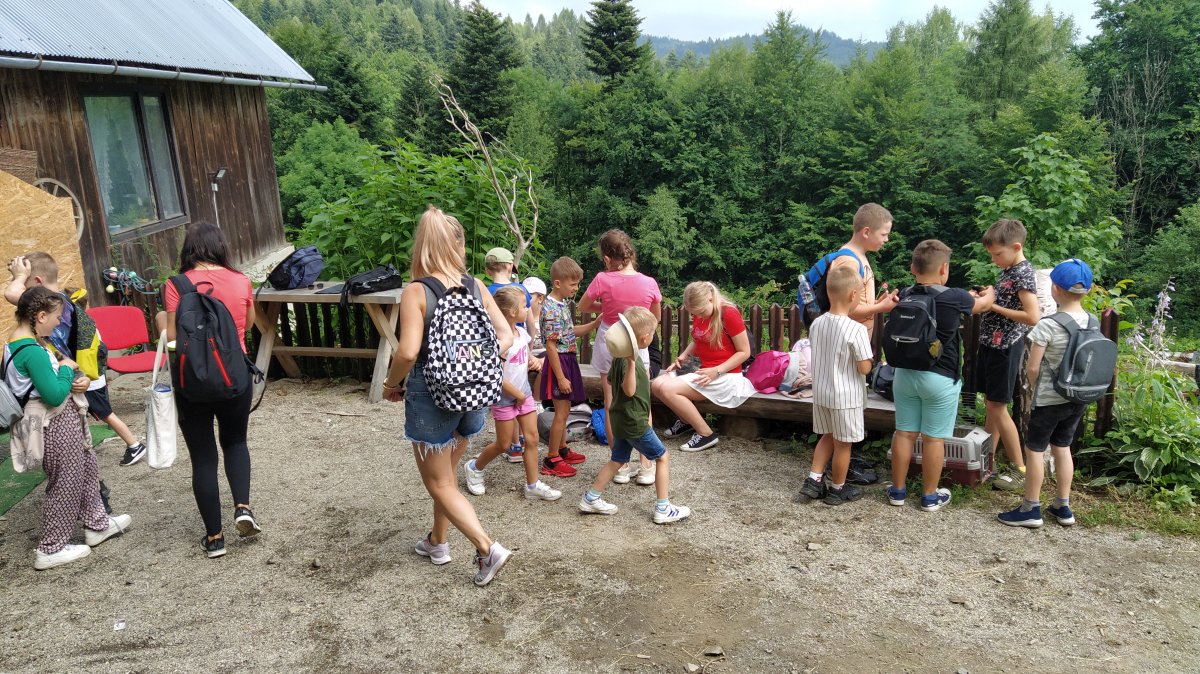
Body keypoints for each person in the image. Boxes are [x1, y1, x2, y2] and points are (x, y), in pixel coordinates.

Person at [380, 205, 515, 587]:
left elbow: (408, 352)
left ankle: (487, 549)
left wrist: (391, 385)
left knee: (439, 483)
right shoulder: (474, 286)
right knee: (447, 477)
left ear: (421, 245)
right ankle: (437, 542)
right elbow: (506, 336)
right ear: (458, 246)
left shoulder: (417, 291)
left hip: (432, 395)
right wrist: (476, 364)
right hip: (474, 395)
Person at [6, 287, 131, 569]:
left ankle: (97, 524)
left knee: (86, 467)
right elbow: (53, 395)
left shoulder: (19, 343)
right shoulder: (32, 351)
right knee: (66, 481)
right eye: (56, 318)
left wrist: (77, 378)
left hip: (58, 421)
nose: (58, 324)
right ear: (40, 316)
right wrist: (66, 368)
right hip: (54, 424)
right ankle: (51, 548)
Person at [162, 221, 261, 558]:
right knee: (236, 442)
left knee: (203, 457)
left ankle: (215, 537)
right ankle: (243, 507)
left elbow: (173, 335)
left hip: (192, 379)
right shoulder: (240, 280)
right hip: (234, 375)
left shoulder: (176, 284)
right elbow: (248, 324)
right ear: (221, 246)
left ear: (189, 249)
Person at [5, 253, 147, 469]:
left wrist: (19, 276)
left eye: (26, 284)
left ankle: (134, 444)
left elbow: (11, 294)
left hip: (79, 372)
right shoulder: (59, 302)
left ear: (38, 282)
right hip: (80, 370)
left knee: (103, 412)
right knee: (95, 414)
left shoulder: (52, 304)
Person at [887, 240, 995, 512]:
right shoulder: (955, 297)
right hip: (940, 377)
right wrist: (989, 293)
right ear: (944, 268)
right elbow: (983, 305)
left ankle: (897, 491)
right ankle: (929, 496)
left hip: (905, 374)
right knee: (934, 439)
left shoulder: (907, 293)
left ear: (913, 268)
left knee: (904, 433)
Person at [798, 204, 901, 483]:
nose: (887, 239)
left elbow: (854, 303)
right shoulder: (849, 261)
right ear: (866, 231)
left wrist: (876, 303)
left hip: (843, 355)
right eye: (884, 234)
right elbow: (845, 307)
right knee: (842, 429)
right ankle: (838, 479)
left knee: (837, 429)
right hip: (847, 358)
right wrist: (881, 309)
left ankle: (827, 473)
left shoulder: (859, 258)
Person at [997, 259, 1096, 528]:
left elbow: (1032, 367)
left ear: (1054, 289)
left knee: (1035, 450)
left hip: (1049, 399)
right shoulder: (1092, 322)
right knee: (1063, 447)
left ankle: (1031, 508)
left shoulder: (1048, 325)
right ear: (1087, 290)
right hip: (1076, 397)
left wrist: (1033, 387)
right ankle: (1063, 506)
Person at [579, 308, 691, 523]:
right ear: (644, 337)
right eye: (653, 334)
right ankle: (663, 508)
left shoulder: (618, 357)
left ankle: (590, 498)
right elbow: (629, 390)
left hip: (620, 419)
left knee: (617, 459)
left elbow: (610, 381)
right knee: (662, 457)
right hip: (634, 422)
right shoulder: (629, 360)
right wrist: (631, 365)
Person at [577, 229, 662, 486]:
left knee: (611, 401)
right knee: (642, 401)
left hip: (609, 340)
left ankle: (621, 465)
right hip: (638, 341)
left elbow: (583, 306)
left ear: (606, 258)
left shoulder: (602, 279)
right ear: (631, 254)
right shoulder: (649, 283)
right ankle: (646, 464)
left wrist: (605, 309)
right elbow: (654, 317)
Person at [462, 286, 559, 502]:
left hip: (523, 394)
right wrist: (518, 395)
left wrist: (533, 361)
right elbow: (495, 375)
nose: (528, 309)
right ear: (513, 312)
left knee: (532, 439)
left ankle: (532, 485)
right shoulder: (499, 341)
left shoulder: (522, 334)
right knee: (503, 444)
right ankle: (474, 467)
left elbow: (524, 358)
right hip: (505, 399)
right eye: (524, 306)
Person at [797, 266, 874, 505]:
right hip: (846, 397)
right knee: (843, 445)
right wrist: (869, 361)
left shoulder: (817, 324)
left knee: (826, 437)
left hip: (822, 394)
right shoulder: (856, 329)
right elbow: (864, 368)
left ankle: (813, 480)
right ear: (853, 295)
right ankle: (838, 488)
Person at [651, 282, 756, 452]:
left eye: (700, 312)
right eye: (694, 313)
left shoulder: (729, 313)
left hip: (725, 374)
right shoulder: (701, 312)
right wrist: (684, 356)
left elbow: (744, 352)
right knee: (657, 385)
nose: (697, 315)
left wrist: (717, 371)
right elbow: (698, 339)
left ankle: (706, 434)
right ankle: (687, 421)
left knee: (668, 389)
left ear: (710, 299)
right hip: (704, 369)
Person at [977, 219, 1040, 492]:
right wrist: (989, 296)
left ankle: (1019, 468)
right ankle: (986, 462)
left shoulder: (1023, 273)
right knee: (992, 403)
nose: (993, 259)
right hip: (993, 344)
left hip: (1005, 347)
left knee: (997, 406)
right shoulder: (1008, 269)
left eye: (997, 254)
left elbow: (1032, 316)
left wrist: (993, 306)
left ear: (1016, 247)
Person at [536, 256, 599, 478]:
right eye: (573, 284)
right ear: (557, 283)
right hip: (559, 363)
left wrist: (594, 324)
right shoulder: (550, 309)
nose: (576, 288)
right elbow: (551, 346)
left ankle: (562, 449)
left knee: (565, 411)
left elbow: (570, 333)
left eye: (578, 284)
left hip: (567, 359)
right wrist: (561, 377)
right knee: (561, 413)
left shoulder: (561, 304)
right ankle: (551, 459)